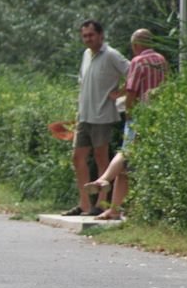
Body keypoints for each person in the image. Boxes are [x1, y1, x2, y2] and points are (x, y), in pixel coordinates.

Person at [85, 28, 168, 220]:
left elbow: (132, 91)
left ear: (135, 45)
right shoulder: (161, 61)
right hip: (159, 115)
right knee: (130, 166)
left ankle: (103, 180)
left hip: (140, 116)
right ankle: (114, 209)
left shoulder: (138, 62)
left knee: (125, 154)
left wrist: (129, 114)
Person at [62, 19, 130, 217]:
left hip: (102, 115)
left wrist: (122, 92)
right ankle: (84, 203)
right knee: (78, 157)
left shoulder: (111, 55)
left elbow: (133, 72)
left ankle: (101, 203)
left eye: (91, 35)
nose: (88, 39)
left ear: (101, 35)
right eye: (84, 36)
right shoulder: (86, 55)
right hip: (84, 115)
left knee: (101, 157)